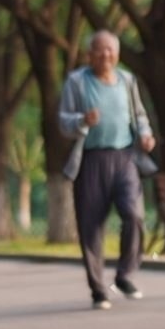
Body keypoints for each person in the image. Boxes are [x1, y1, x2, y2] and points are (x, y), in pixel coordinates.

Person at [57, 30, 157, 310]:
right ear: (90, 54)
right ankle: (98, 289)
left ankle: (125, 274)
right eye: (99, 51)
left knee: (134, 215)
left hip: (124, 158)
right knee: (91, 227)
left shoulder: (127, 80)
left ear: (117, 54)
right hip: (90, 160)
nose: (105, 56)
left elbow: (139, 115)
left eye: (110, 51)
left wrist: (146, 134)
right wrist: (82, 120)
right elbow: (63, 121)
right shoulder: (77, 81)